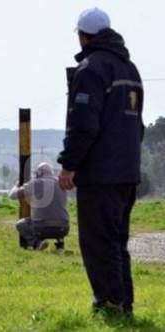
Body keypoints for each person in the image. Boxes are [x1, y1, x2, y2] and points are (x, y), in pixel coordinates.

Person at [58, 8, 144, 316]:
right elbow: (139, 128)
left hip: (100, 175)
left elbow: (84, 124)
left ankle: (108, 302)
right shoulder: (129, 69)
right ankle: (123, 303)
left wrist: (69, 165)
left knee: (98, 242)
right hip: (127, 173)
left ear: (83, 36)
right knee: (116, 242)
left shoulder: (91, 69)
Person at [8, 163, 69, 250]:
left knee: (20, 224)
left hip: (42, 229)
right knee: (57, 216)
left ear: (39, 173)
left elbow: (12, 195)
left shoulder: (36, 183)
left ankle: (37, 243)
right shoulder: (61, 183)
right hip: (64, 228)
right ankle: (60, 244)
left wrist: (16, 185)